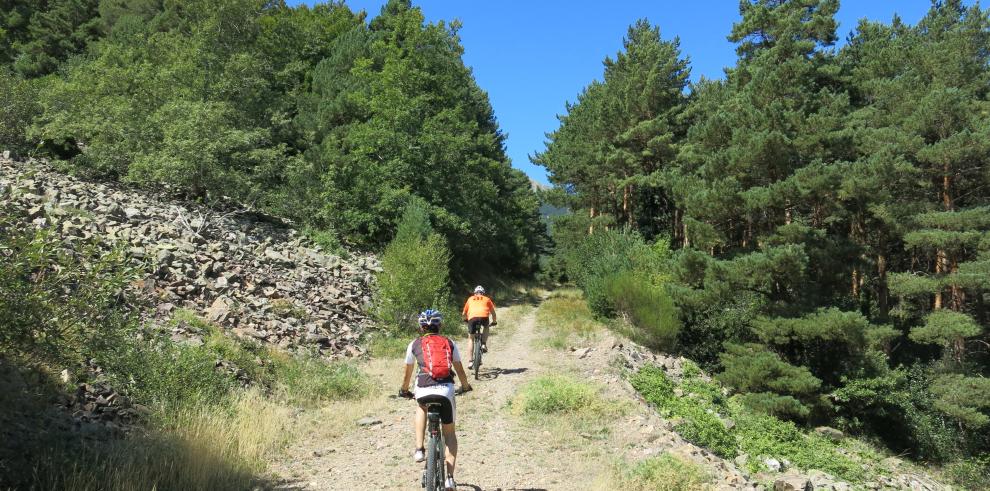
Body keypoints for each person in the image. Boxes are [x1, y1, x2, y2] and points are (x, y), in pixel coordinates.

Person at [400, 309, 472, 491]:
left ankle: (419, 449)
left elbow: (407, 372)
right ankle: (449, 478)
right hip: (446, 390)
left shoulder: (414, 344)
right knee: (449, 434)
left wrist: (404, 390)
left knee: (421, 406)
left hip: (423, 388)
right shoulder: (449, 343)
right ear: (440, 325)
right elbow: (460, 370)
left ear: (421, 327)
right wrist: (465, 386)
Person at [462, 285, 497, 368]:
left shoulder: (470, 299)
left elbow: (463, 314)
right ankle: (484, 344)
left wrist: (465, 320)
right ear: (483, 293)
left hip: (472, 318)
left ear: (475, 293)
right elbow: (493, 313)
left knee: (471, 338)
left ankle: (470, 362)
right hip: (484, 317)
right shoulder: (487, 299)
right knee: (486, 327)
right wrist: (494, 321)